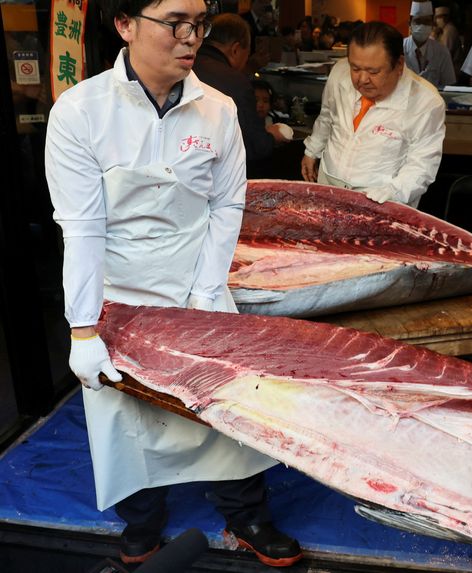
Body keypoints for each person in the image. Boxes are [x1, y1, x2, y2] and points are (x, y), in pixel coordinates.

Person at [44, 0, 302, 567]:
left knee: (227, 411)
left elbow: (226, 204)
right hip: (121, 289)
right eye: (175, 23)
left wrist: (208, 291)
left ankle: (247, 515)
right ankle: (143, 522)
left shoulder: (219, 109)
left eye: (199, 25)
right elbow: (82, 231)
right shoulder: (81, 113)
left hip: (197, 282)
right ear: (125, 25)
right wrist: (83, 329)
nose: (190, 39)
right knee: (127, 416)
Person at [301, 21, 445, 208]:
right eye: (355, 68)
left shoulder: (426, 102)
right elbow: (327, 115)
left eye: (373, 71)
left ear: (399, 64)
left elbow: (421, 165)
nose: (362, 79)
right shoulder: (339, 72)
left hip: (381, 198)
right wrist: (312, 151)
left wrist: (393, 192)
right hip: (328, 184)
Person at [192, 13, 290, 179]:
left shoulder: (187, 65)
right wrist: (273, 135)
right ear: (236, 49)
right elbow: (253, 145)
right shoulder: (236, 82)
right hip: (219, 177)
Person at [403, 1, 456, 89]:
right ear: (410, 24)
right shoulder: (398, 48)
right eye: (418, 21)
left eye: (426, 22)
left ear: (432, 25)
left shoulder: (442, 52)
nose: (422, 26)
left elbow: (448, 86)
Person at [432, 5, 462, 69]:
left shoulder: (449, 30)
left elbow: (444, 53)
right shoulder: (443, 29)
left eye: (438, 17)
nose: (436, 20)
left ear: (445, 18)